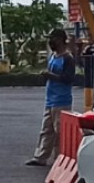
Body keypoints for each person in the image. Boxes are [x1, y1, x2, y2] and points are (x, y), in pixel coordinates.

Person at [27, 29, 81, 168]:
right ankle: (40, 157)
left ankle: (59, 158)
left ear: (61, 40)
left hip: (61, 100)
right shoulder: (53, 56)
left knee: (60, 132)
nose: (51, 42)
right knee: (46, 130)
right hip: (50, 99)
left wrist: (51, 76)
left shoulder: (68, 59)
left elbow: (69, 79)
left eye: (54, 39)